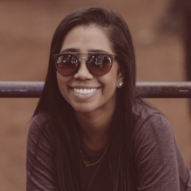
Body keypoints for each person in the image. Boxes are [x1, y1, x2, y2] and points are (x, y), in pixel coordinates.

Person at [26, 6, 191, 191]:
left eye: (99, 62)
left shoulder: (150, 129)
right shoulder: (45, 128)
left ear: (121, 74)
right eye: (68, 61)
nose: (82, 74)